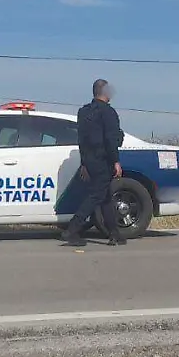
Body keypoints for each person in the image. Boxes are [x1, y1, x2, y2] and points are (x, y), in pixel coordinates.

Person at [62, 79, 125, 247]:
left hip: (89, 159)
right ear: (106, 92)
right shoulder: (108, 113)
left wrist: (84, 162)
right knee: (97, 195)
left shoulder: (83, 112)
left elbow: (81, 139)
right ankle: (72, 230)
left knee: (105, 197)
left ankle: (114, 233)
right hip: (103, 159)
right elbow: (111, 139)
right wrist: (116, 161)